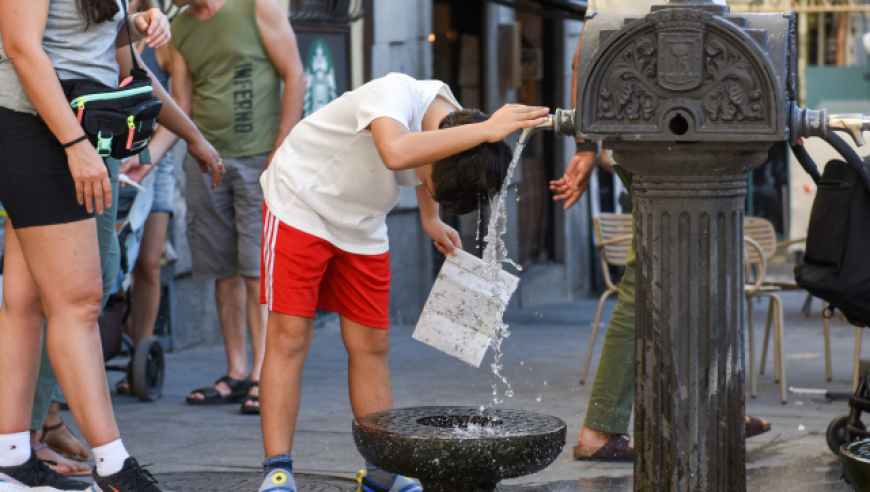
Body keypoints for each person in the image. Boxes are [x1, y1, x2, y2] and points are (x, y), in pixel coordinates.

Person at [256, 71, 549, 492]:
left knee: (373, 345)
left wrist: (431, 218)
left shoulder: (450, 119)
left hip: (363, 221)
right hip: (301, 201)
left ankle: (382, 470)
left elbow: (430, 157)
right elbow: (396, 152)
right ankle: (277, 470)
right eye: (429, 181)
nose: (423, 181)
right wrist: (489, 129)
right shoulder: (393, 92)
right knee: (289, 337)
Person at [0, 0, 223, 490]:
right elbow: (20, 46)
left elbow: (121, 65)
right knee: (79, 303)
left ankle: (10, 456)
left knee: (26, 303)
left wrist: (191, 134)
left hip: (66, 129)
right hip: (39, 128)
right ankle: (114, 466)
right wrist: (74, 147)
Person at [551, 0, 771, 463]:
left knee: (673, 271)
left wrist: (588, 147)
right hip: (685, 140)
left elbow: (584, 54)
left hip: (639, 136)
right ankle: (608, 427)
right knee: (656, 274)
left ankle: (715, 407)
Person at [169, 0, 307, 414]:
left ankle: (266, 376)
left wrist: (282, 146)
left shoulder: (255, 7)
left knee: (256, 270)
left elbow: (295, 75)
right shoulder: (180, 27)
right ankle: (237, 370)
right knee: (221, 269)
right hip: (206, 161)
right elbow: (179, 101)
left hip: (259, 157)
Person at [116, 0, 179, 395]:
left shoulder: (162, 33)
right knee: (113, 265)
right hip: (115, 153)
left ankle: (138, 358)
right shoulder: (107, 21)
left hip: (158, 154)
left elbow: (180, 109)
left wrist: (147, 159)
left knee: (149, 264)